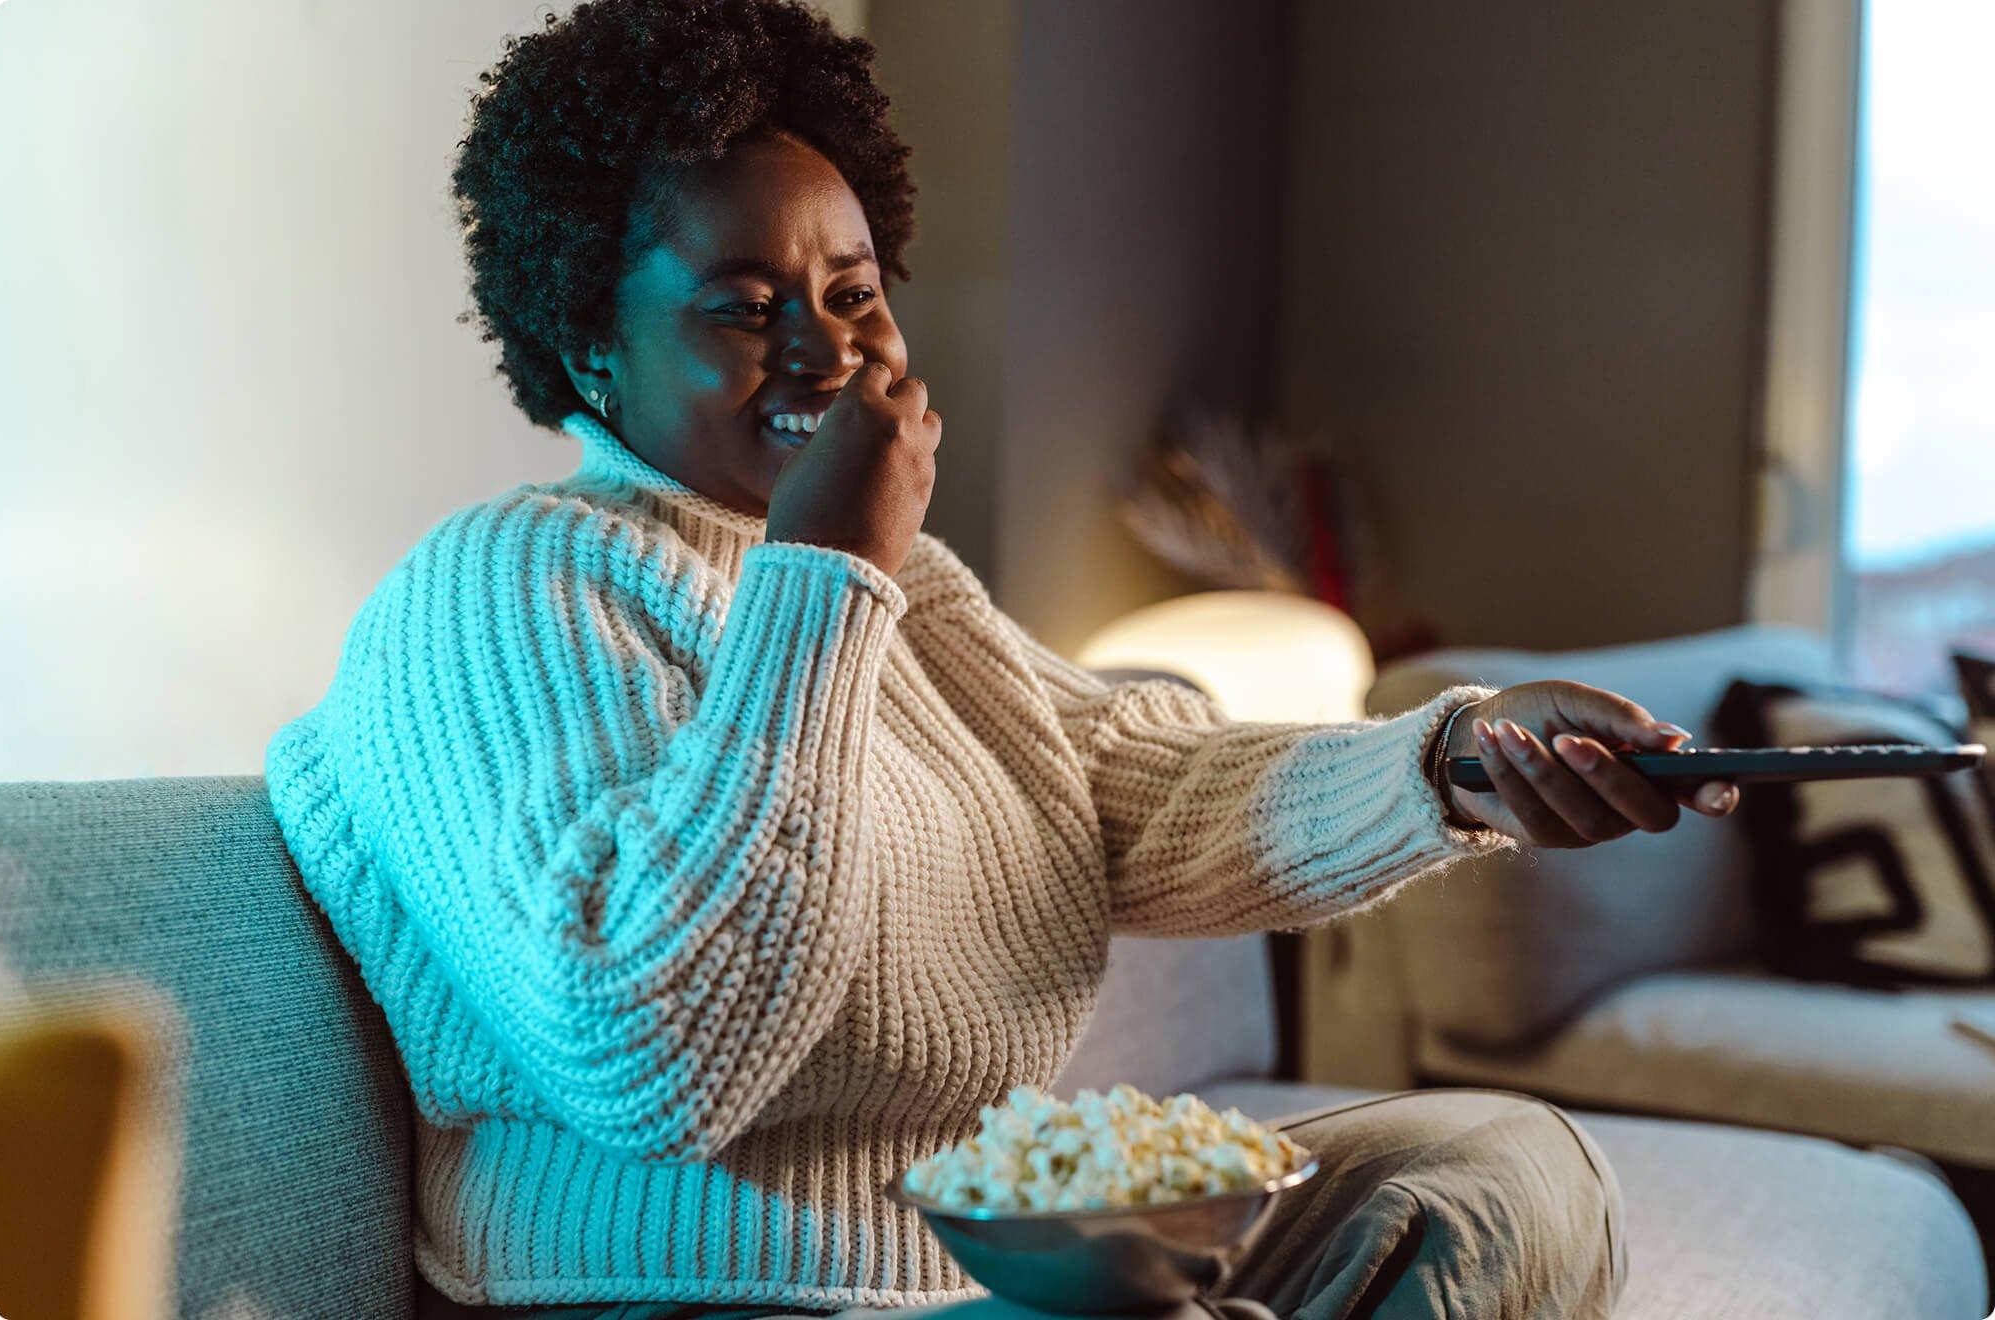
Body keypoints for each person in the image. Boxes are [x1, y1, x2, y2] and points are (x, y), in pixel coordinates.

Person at [262, 2, 1741, 1316]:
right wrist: (829, 571)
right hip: (672, 1292)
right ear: (590, 347)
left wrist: (1463, 761)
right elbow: (650, 1044)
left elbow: (1142, 789)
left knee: (1497, 1170)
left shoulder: (925, 601)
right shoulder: (494, 589)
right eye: (742, 307)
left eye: (852, 293)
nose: (825, 354)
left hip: (1002, 1272)